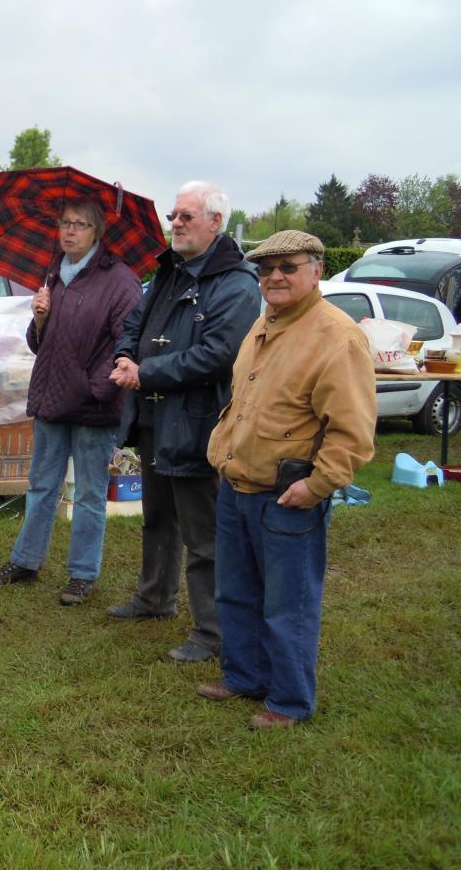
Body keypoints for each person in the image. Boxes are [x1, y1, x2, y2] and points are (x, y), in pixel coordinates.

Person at [201, 230, 375, 728]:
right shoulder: (265, 324)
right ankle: (243, 677)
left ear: (316, 270)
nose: (274, 276)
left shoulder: (336, 337)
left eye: (288, 267)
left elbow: (353, 430)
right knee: (235, 593)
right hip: (238, 487)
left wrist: (318, 485)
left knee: (289, 606)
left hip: (288, 496)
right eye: (266, 269)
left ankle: (290, 701)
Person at [107, 181, 260, 662]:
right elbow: (135, 321)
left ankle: (213, 632)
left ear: (215, 222)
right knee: (157, 517)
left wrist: (146, 371)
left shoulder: (236, 283)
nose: (174, 224)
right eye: (173, 216)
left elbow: (218, 355)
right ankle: (154, 598)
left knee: (204, 535)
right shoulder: (169, 272)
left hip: (198, 423)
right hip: (153, 416)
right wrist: (126, 356)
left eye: (185, 216)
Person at [0, 199, 142, 604]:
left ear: (97, 232)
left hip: (93, 406)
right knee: (40, 486)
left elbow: (127, 343)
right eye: (65, 223)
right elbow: (41, 344)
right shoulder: (54, 274)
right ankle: (25, 561)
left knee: (88, 495)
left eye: (81, 225)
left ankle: (82, 575)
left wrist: (94, 388)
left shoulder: (120, 280)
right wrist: (38, 318)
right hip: (52, 400)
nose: (70, 231)